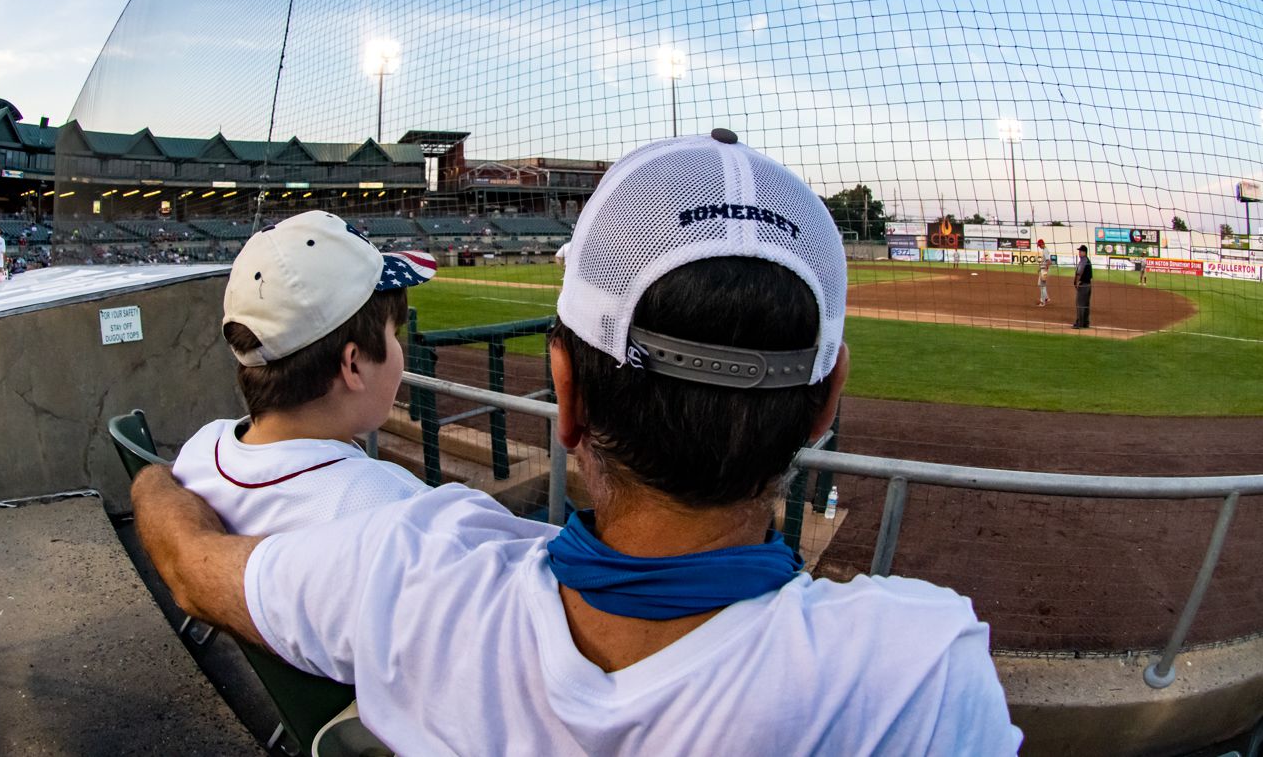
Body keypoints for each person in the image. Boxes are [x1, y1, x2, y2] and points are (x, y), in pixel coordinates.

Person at [133, 131, 1021, 755]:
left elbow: (187, 562)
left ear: (564, 391)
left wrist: (156, 480)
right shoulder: (917, 679)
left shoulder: (406, 568)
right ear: (826, 402)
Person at [170, 211, 434, 534]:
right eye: (395, 333)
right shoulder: (401, 510)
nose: (398, 346)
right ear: (353, 364)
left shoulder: (200, 451)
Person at [1072, 244, 1093, 329]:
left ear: (1084, 252)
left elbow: (1079, 273)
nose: (1079, 253)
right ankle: (1085, 323)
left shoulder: (1083, 260)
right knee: (1086, 305)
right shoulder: (1087, 260)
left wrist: (1075, 282)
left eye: (1080, 251)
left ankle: (1080, 323)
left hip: (1083, 285)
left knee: (1080, 304)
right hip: (1088, 285)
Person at [1036, 238, 1051, 307]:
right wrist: (1040, 268)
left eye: (1039, 245)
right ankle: (1046, 298)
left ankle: (1043, 302)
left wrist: (1045, 270)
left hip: (1044, 270)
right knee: (1041, 285)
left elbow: (1049, 261)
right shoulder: (1045, 250)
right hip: (1043, 270)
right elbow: (1045, 261)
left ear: (1042, 244)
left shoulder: (1045, 251)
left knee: (1041, 285)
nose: (1039, 247)